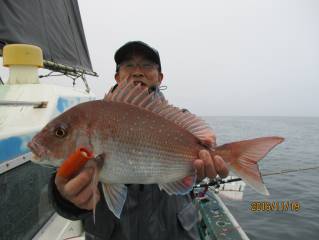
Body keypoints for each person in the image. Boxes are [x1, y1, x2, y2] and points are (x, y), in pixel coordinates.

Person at [49, 41, 229, 240]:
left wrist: (199, 171)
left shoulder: (180, 121)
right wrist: (66, 197)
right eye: (128, 65)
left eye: (147, 65)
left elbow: (194, 169)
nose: (137, 72)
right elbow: (64, 182)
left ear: (160, 77)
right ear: (117, 76)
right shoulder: (90, 118)